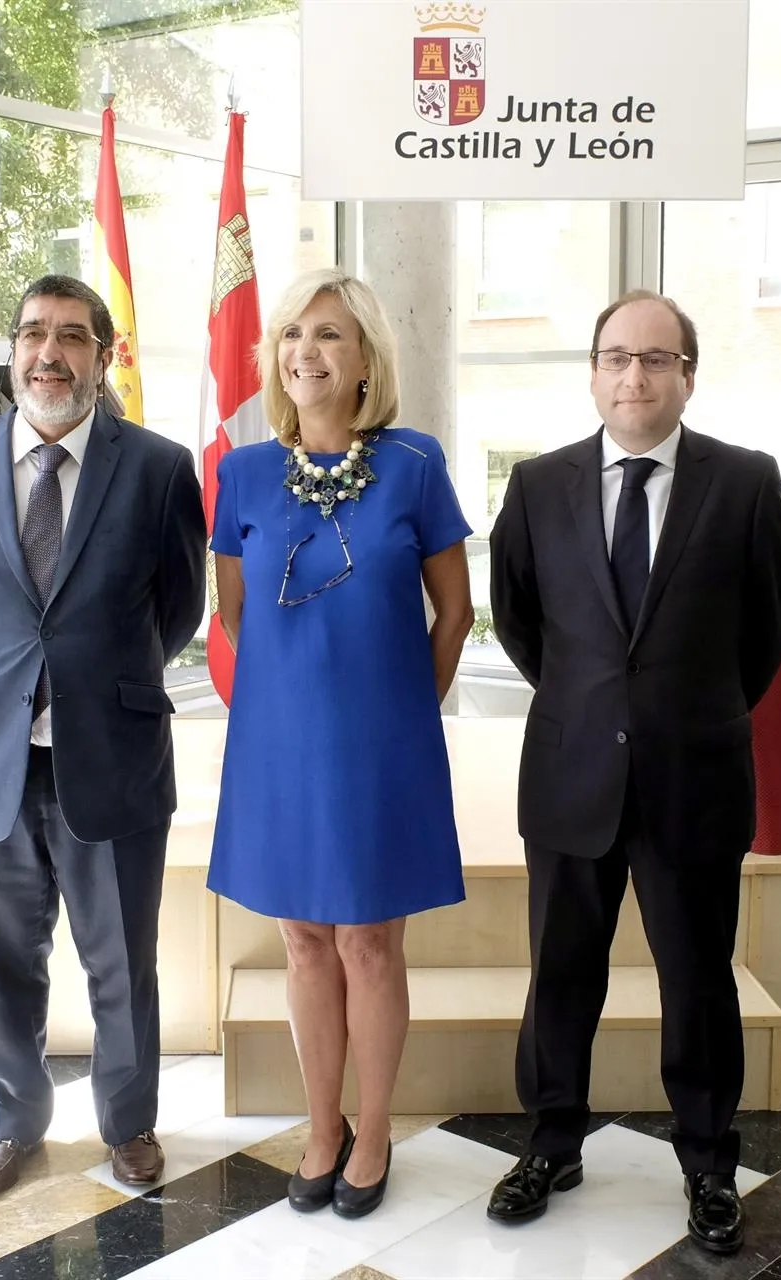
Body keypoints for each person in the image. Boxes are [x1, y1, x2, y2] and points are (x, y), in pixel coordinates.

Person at [486, 290, 781, 1255]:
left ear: (687, 376)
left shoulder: (746, 484)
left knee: (698, 981)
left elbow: (769, 632)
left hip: (693, 779)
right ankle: (552, 1141)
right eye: (617, 358)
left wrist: (686, 708)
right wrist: (598, 705)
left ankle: (708, 1162)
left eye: (657, 360)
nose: (635, 376)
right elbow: (518, 619)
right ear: (592, 372)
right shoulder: (537, 486)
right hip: (573, 776)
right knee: (562, 975)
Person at [0, 273, 207, 1196]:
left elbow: (177, 610)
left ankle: (128, 1124)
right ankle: (10, 1121)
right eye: (34, 333)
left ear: (103, 355)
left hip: (111, 757)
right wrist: (16, 688)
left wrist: (88, 683)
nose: (50, 353)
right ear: (11, 352)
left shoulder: (158, 468)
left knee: (120, 959)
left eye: (73, 336)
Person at [208, 269, 475, 1219]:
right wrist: (296, 701)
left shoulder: (415, 464)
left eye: (328, 336)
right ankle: (320, 1130)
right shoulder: (240, 473)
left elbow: (456, 611)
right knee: (301, 939)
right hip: (278, 745)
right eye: (292, 336)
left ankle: (374, 1129)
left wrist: (406, 706)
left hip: (382, 743)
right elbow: (235, 620)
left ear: (366, 359)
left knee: (369, 939)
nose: (305, 353)